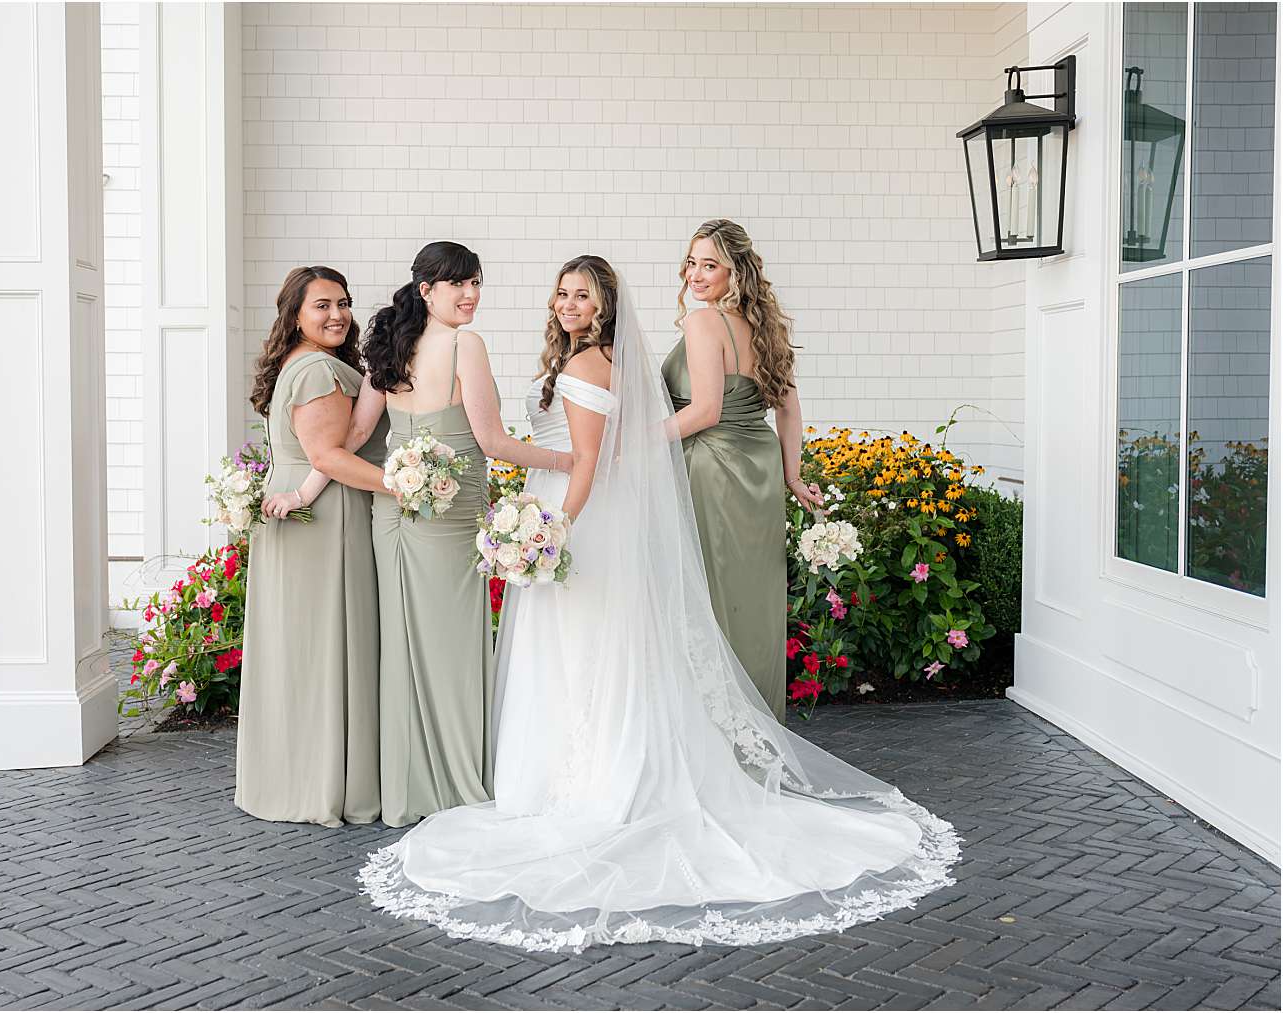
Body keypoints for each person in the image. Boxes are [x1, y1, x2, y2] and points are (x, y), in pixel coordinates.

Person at [359, 262, 960, 951]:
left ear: (607, 304)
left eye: (582, 293)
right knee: (577, 648)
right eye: (562, 292)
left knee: (586, 648)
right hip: (566, 509)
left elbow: (584, 460)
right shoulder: (588, 356)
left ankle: (593, 783)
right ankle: (570, 776)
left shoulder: (591, 359)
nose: (568, 302)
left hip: (577, 515)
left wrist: (553, 528)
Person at [362, 241, 572, 828]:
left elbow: (356, 434)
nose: (471, 295)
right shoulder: (464, 344)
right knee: (452, 649)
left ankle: (407, 788)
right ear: (425, 289)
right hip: (448, 516)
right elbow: (493, 442)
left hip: (395, 513)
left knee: (404, 644)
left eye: (476, 283)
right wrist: (568, 460)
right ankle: (455, 783)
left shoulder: (389, 347)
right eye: (458, 284)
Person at [234, 266, 387, 827]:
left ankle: (290, 777)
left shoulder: (298, 366)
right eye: (322, 305)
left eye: (343, 303)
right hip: (323, 520)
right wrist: (406, 486)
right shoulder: (321, 371)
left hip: (297, 515)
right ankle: (322, 782)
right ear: (294, 313)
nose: (337, 315)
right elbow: (331, 457)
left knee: (298, 653)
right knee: (323, 648)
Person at [663, 218, 825, 718]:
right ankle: (759, 724)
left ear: (736, 270)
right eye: (692, 262)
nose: (696, 274)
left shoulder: (703, 321)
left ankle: (714, 735)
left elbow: (704, 411)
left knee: (708, 597)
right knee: (751, 602)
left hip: (711, 467)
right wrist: (792, 477)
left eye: (709, 264)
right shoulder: (768, 327)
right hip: (758, 471)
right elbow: (789, 410)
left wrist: (629, 445)